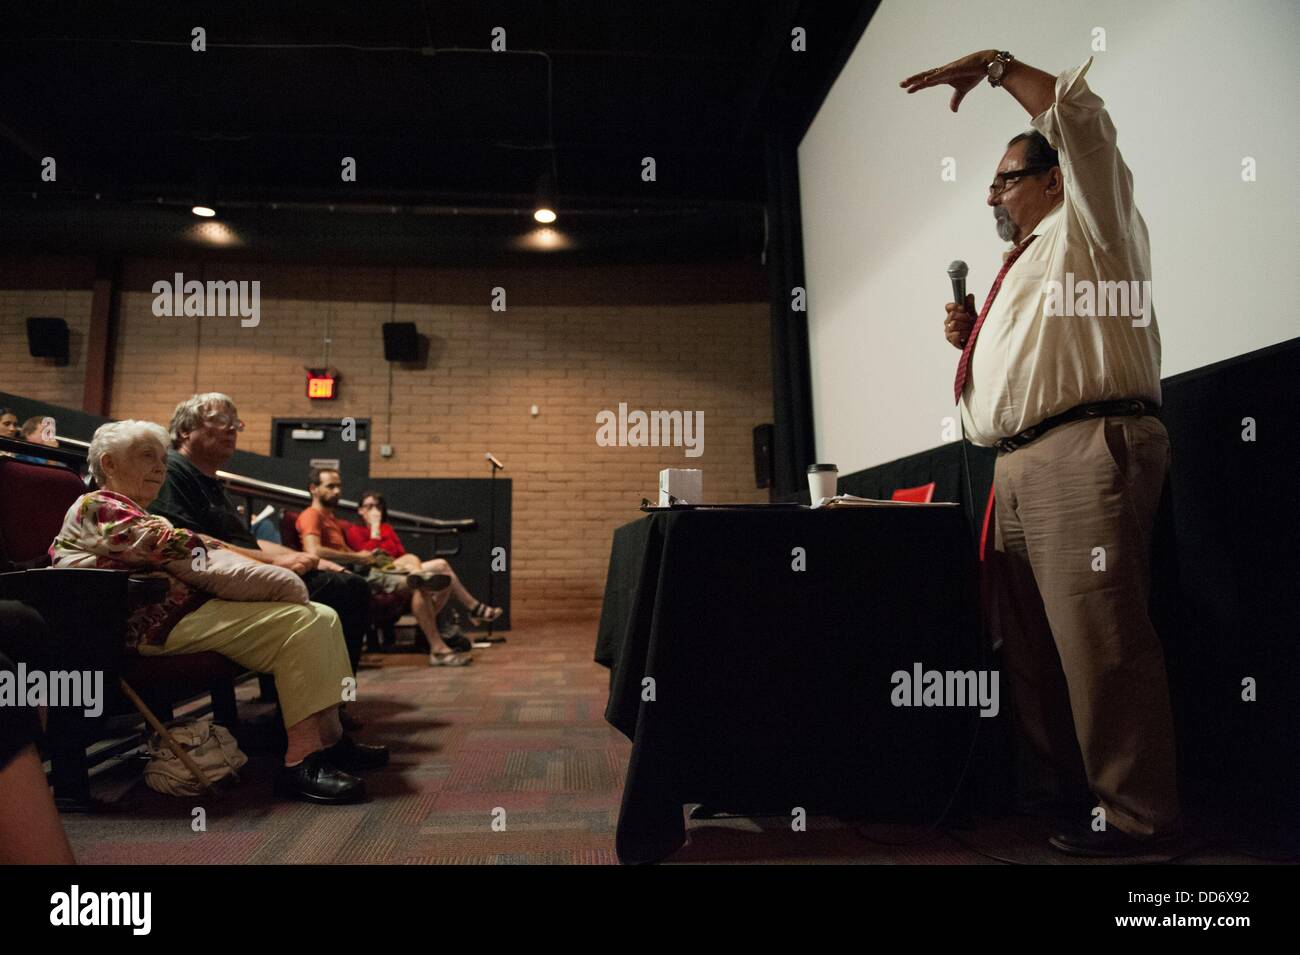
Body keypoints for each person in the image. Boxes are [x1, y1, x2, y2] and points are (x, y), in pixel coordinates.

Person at [902, 51, 1178, 857]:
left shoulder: (1092, 223)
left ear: (1056, 180)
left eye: (1007, 178)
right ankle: (1064, 796)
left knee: (1100, 637)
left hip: (1085, 449)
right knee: (1033, 648)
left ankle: (1138, 816)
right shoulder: (1019, 263)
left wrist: (996, 65)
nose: (992, 193)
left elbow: (1082, 123)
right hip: (1018, 465)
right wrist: (976, 342)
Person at [51, 420, 387, 804]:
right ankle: (301, 763)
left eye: (162, 459)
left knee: (323, 615)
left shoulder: (137, 511)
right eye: (147, 457)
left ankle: (331, 740)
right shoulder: (97, 505)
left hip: (185, 615)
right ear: (108, 463)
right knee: (301, 623)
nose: (160, 468)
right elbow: (175, 547)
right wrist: (254, 568)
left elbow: (186, 545)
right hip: (145, 625)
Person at [147, 395, 373, 688]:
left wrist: (315, 559)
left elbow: (251, 544)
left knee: (347, 582)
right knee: (346, 590)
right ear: (185, 430)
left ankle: (316, 699)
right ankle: (319, 704)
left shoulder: (212, 481)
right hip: (215, 585)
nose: (231, 429)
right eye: (220, 421)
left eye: (235, 423)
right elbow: (189, 542)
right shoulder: (174, 471)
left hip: (246, 573)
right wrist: (277, 562)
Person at [300, 472, 473, 667]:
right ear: (313, 489)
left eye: (339, 486)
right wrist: (359, 556)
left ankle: (420, 584)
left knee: (417, 567)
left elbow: (393, 553)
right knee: (420, 584)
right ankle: (438, 647)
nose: (337, 491)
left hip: (365, 568)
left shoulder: (331, 519)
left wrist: (364, 555)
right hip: (348, 573)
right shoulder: (311, 515)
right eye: (330, 486)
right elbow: (313, 550)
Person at [346, 490, 503, 627]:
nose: (375, 510)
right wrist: (374, 530)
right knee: (421, 564)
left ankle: (436, 613)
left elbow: (401, 553)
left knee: (442, 567)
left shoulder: (387, 528)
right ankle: (473, 609)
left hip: (399, 569)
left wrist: (405, 563)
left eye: (378, 506)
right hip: (379, 573)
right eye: (369, 506)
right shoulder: (355, 530)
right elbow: (367, 556)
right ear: (360, 510)